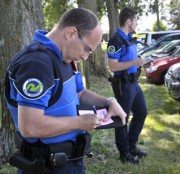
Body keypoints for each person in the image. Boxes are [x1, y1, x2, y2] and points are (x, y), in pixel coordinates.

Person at [5, 8, 126, 174]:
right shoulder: (37, 64)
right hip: (46, 165)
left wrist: (108, 102)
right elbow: (30, 126)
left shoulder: (64, 57)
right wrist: (79, 122)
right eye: (87, 49)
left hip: (70, 160)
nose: (85, 57)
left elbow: (80, 93)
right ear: (71, 33)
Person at [107, 7, 148, 164]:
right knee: (122, 118)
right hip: (123, 85)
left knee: (141, 111)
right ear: (128, 21)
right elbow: (113, 66)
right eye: (136, 20)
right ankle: (124, 153)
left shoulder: (129, 37)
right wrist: (135, 62)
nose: (137, 22)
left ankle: (132, 146)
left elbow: (129, 59)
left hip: (134, 83)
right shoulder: (116, 40)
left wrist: (139, 64)